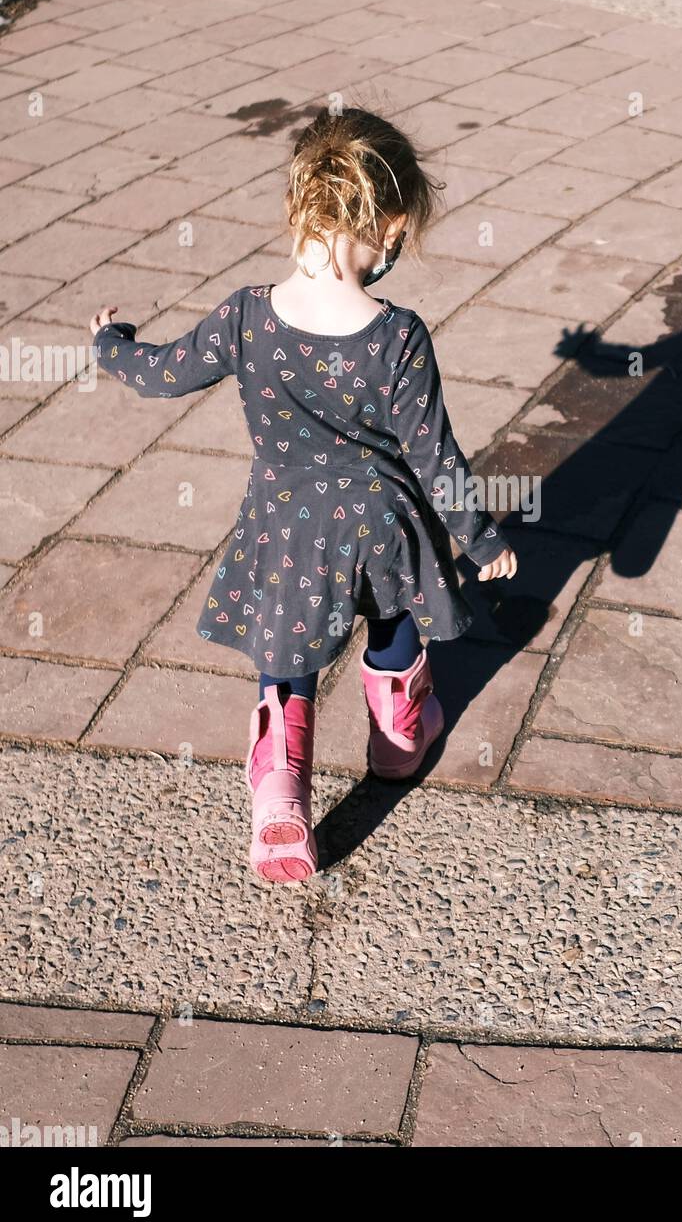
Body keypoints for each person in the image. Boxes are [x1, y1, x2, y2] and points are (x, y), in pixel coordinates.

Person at [91, 107, 517, 885]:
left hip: (287, 525)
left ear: (301, 210)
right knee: (392, 615)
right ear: (388, 226)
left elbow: (162, 374)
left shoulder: (247, 316)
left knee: (284, 655)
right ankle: (397, 737)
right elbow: (434, 456)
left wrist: (110, 346)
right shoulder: (397, 335)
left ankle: (282, 798)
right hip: (383, 522)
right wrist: (482, 540)